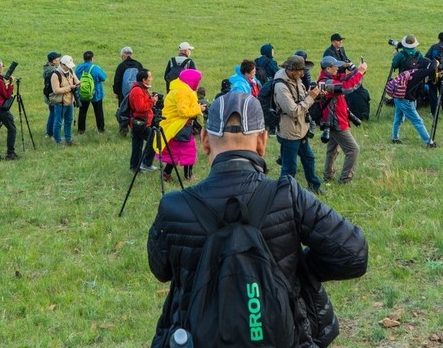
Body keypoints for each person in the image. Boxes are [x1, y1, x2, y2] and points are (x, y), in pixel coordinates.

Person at [146, 92, 368, 348]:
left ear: (204, 141)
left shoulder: (174, 207)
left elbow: (160, 269)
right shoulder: (287, 195)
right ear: (262, 141)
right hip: (283, 334)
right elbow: (353, 254)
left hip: (196, 335)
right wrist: (298, 270)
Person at [273, 55, 323, 193]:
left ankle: (314, 187)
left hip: (301, 129)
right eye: (300, 70)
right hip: (289, 132)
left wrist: (313, 95)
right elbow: (293, 111)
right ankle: (284, 193)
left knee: (309, 159)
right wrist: (311, 98)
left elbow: (301, 99)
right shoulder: (281, 87)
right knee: (289, 167)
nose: (303, 73)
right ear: (291, 70)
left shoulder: (297, 79)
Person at [317, 56, 366, 185]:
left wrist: (358, 70)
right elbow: (346, 87)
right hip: (336, 121)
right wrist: (360, 72)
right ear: (328, 68)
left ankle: (328, 175)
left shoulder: (328, 79)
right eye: (335, 66)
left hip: (331, 120)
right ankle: (345, 179)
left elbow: (345, 79)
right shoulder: (326, 84)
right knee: (353, 150)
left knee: (332, 150)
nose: (338, 68)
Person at [155, 68, 205, 182]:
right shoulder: (183, 92)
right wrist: (199, 108)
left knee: (174, 151)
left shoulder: (179, 89)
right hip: (180, 126)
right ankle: (188, 175)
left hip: (175, 126)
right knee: (189, 151)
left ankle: (166, 174)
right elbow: (183, 112)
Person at [389, 53, 437, 147]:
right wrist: (435, 61)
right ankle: (428, 142)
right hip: (405, 101)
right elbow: (431, 69)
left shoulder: (413, 71)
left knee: (398, 119)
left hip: (398, 97)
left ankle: (394, 138)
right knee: (418, 122)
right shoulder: (419, 73)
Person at [128, 68, 159, 172]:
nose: (151, 79)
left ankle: (135, 166)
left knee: (137, 144)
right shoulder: (137, 90)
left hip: (141, 122)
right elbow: (140, 107)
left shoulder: (142, 88)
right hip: (140, 122)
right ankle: (146, 163)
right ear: (143, 79)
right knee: (154, 138)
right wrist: (152, 101)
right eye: (149, 77)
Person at [75, 50, 108, 135]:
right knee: (98, 111)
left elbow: (75, 78)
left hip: (82, 92)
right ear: (92, 58)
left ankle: (81, 130)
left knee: (82, 112)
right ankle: (100, 129)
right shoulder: (95, 68)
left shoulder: (79, 67)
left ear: (84, 58)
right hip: (96, 93)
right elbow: (103, 78)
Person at [49, 55, 80, 146]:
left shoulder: (70, 70)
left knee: (69, 121)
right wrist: (69, 88)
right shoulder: (55, 75)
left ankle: (68, 139)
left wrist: (78, 84)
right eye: (67, 65)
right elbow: (56, 90)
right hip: (60, 102)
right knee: (58, 122)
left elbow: (76, 80)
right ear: (62, 64)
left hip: (69, 101)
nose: (69, 67)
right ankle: (58, 140)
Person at [112, 47, 144, 133]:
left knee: (123, 111)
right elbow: (143, 79)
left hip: (123, 94)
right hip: (137, 93)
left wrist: (116, 92)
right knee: (136, 111)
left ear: (123, 55)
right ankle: (137, 128)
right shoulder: (138, 65)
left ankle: (123, 129)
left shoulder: (121, 66)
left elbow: (117, 80)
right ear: (131, 54)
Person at [42, 51, 62, 141]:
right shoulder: (53, 70)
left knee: (52, 113)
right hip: (52, 95)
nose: (59, 59)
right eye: (57, 58)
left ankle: (49, 132)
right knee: (55, 114)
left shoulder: (47, 68)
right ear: (54, 61)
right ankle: (51, 133)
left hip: (48, 95)